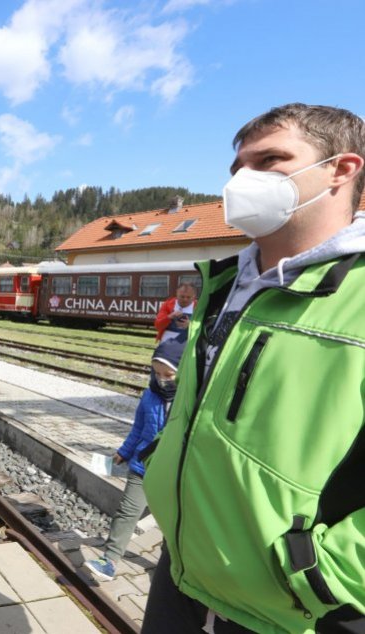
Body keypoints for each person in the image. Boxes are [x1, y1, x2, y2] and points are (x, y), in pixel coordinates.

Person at [142, 104, 365, 634]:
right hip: (180, 573)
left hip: (294, 611)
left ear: (343, 168)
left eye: (270, 160)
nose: (244, 180)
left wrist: (320, 578)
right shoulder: (223, 285)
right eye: (237, 168)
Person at [85, 339, 185, 582]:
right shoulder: (149, 394)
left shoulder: (189, 398)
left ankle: (172, 569)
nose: (162, 379)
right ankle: (109, 560)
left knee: (172, 522)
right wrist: (125, 451)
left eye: (168, 374)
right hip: (142, 465)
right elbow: (139, 427)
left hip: (171, 471)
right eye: (157, 372)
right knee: (127, 511)